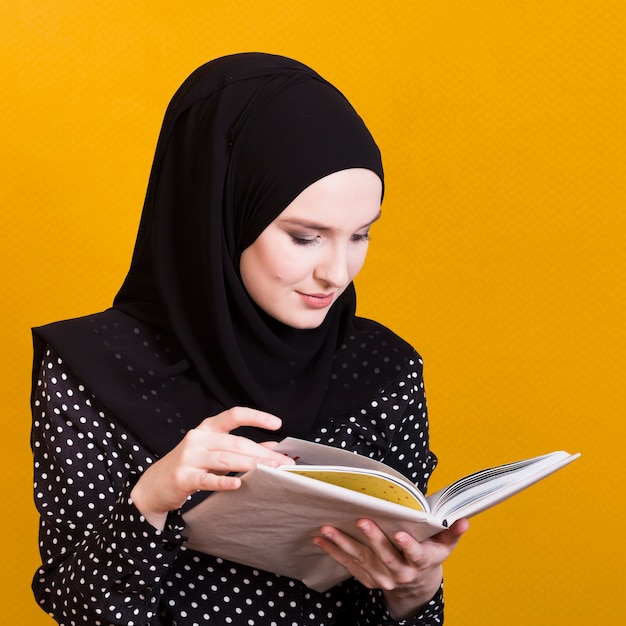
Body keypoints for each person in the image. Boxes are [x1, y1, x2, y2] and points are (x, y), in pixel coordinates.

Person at [30, 52, 468, 625]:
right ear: (221, 215)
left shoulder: (382, 369)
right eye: (306, 237)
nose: (338, 272)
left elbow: (404, 611)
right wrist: (153, 498)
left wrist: (413, 595)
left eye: (360, 235)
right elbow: (81, 610)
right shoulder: (94, 368)